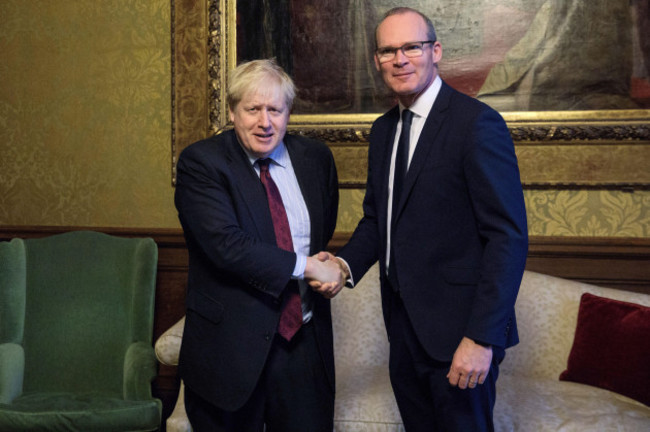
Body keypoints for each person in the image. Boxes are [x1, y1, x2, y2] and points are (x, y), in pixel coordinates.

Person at [325, 7, 528, 431]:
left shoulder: (476, 124)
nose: (400, 59)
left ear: (435, 51)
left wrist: (481, 338)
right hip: (403, 334)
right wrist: (343, 266)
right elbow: (378, 221)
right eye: (388, 51)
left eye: (411, 47)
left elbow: (507, 238)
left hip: (460, 337)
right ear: (377, 60)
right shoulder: (383, 131)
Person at [174, 58, 344, 432]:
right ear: (233, 111)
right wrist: (311, 267)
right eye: (252, 109)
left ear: (288, 113)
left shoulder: (315, 159)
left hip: (303, 344)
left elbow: (322, 231)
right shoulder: (202, 163)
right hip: (228, 351)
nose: (264, 122)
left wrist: (327, 264)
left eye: (275, 110)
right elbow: (227, 245)